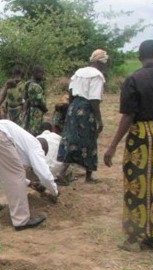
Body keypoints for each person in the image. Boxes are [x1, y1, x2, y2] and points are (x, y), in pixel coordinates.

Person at [104, 40, 153, 252]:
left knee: (136, 185)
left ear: (140, 56)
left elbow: (128, 116)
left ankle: (133, 240)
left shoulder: (133, 80)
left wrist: (112, 147)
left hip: (139, 140)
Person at [0, 119, 58, 231]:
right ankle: (21, 220)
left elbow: (6, 170)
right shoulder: (36, 147)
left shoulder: (24, 143)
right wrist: (54, 191)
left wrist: (29, 183)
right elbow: (44, 175)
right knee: (18, 173)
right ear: (43, 151)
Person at [57, 49, 109, 184]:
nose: (105, 66)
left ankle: (62, 172)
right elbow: (94, 99)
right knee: (89, 140)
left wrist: (72, 106)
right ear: (100, 63)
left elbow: (71, 92)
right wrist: (99, 120)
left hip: (74, 108)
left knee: (71, 139)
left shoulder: (78, 73)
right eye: (104, 63)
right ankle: (88, 176)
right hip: (86, 110)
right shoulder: (97, 76)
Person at [24, 65, 49, 136]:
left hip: (31, 108)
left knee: (29, 127)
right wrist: (45, 109)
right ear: (35, 73)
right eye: (41, 73)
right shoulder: (35, 86)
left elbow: (25, 97)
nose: (43, 75)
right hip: (37, 110)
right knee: (36, 129)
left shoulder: (28, 83)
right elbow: (39, 101)